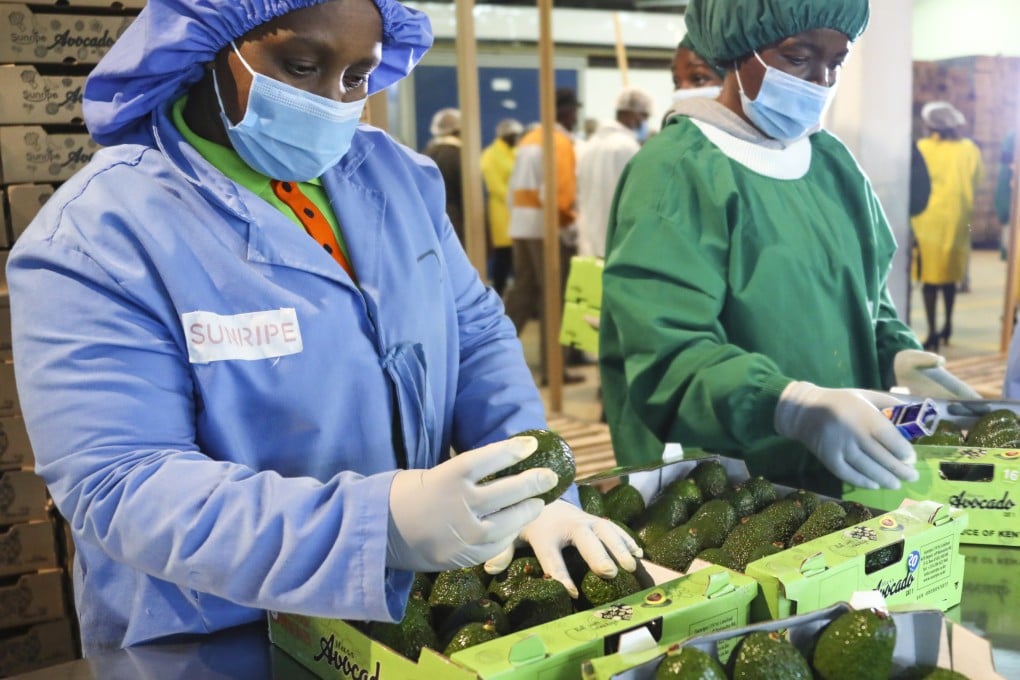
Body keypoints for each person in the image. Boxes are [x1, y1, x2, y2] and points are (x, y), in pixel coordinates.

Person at [6, 0, 640, 655]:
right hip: (224, 639)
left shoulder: (394, 177)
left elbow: (475, 332)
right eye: (302, 65)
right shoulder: (99, 238)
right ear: (210, 44)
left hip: (409, 613)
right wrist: (378, 525)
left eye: (359, 76)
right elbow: (126, 484)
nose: (333, 100)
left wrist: (531, 479)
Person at [599, 0, 979, 498]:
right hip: (729, 490)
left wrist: (898, 353)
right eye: (797, 58)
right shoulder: (678, 171)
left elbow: (864, 296)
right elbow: (668, 356)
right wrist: (788, 404)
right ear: (738, 49)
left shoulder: (829, 162)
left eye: (835, 61)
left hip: (840, 470)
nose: (819, 82)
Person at [503, 87, 584, 385]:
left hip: (521, 227)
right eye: (574, 110)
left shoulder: (529, 138)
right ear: (565, 112)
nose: (576, 115)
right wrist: (569, 228)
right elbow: (561, 198)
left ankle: (489, 356)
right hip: (546, 230)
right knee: (554, 299)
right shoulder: (558, 142)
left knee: (522, 294)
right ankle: (554, 370)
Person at [911, 101, 984, 350]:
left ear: (930, 124)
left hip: (927, 221)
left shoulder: (923, 148)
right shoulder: (969, 149)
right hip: (958, 220)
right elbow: (977, 180)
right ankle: (948, 325)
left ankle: (932, 332)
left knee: (929, 279)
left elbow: (914, 184)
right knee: (951, 277)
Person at [576, 87, 653, 259]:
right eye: (645, 117)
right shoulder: (627, 146)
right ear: (634, 116)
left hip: (589, 240)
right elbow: (636, 197)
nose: (645, 123)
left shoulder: (591, 144)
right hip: (615, 242)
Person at [480, 117, 523, 296]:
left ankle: (513, 292)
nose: (517, 139)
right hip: (501, 211)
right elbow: (495, 186)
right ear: (506, 135)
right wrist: (516, 198)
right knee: (503, 254)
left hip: (517, 210)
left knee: (516, 255)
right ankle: (497, 290)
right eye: (514, 135)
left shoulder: (515, 152)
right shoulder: (490, 155)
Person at [423, 107, 466, 245]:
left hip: (429, 225)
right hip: (457, 225)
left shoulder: (425, 155)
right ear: (458, 130)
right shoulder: (460, 156)